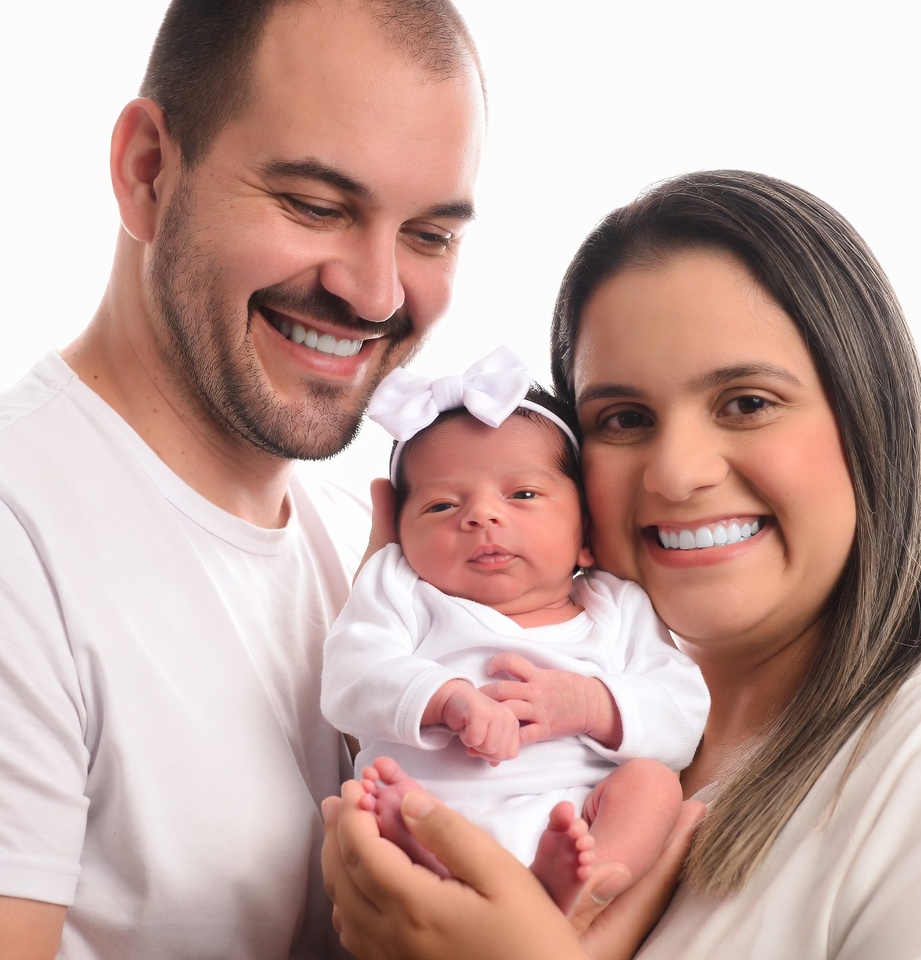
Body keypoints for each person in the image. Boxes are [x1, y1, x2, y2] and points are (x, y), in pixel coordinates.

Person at [319, 169, 921, 960]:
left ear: (874, 418)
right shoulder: (659, 724)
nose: (677, 473)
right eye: (624, 418)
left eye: (747, 402)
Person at [0, 0, 486, 957]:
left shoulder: (366, 543)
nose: (378, 293)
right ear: (148, 173)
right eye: (315, 206)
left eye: (429, 234)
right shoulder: (22, 536)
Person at [320, 346, 710, 913]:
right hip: (435, 815)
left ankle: (590, 882)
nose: (480, 516)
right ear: (400, 534)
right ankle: (439, 874)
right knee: (371, 798)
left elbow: (682, 711)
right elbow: (352, 675)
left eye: (522, 495)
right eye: (440, 505)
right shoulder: (403, 587)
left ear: (585, 535)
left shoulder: (616, 605)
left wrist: (593, 703)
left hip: (575, 818)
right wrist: (443, 698)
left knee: (651, 783)